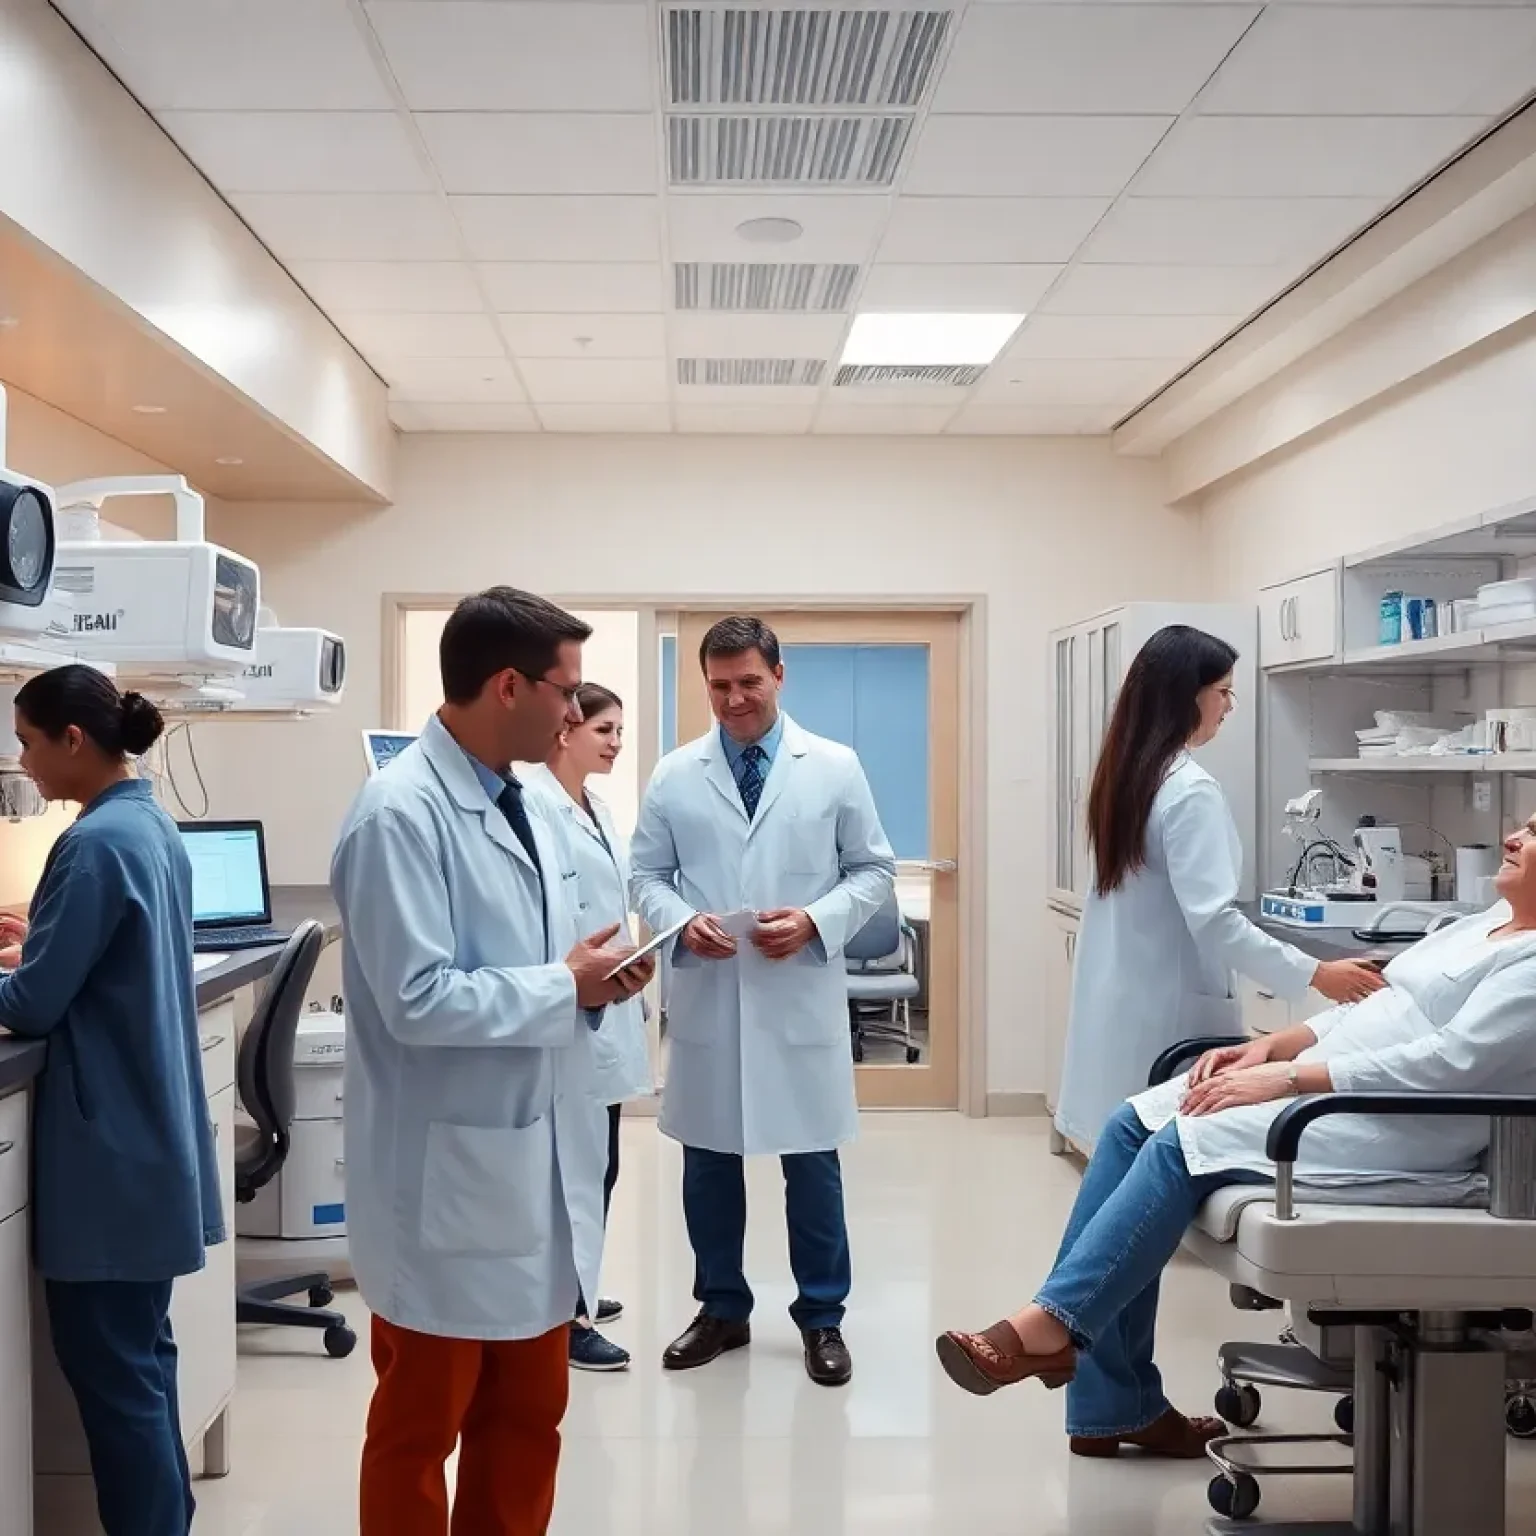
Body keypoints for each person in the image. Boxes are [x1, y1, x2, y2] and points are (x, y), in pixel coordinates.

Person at [936, 814, 1536, 1457]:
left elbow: (1449, 1065)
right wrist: (1281, 1042)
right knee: (1129, 1124)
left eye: (1534, 835)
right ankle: (1113, 1407)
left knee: (1176, 1144)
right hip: (1335, 1091)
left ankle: (1048, 1328)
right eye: (1524, 826)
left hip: (1398, 1124)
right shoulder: (1476, 926)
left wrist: (1291, 1080)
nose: (1513, 838)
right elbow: (1382, 1003)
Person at [332, 588, 654, 1536]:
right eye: (564, 690)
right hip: (445, 1184)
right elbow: (418, 998)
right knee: (421, 1427)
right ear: (507, 685)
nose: (575, 710)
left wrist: (599, 981)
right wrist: (571, 988)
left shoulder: (529, 804)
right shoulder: (400, 815)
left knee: (527, 1417)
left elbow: (550, 961)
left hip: (534, 1162)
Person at [630, 615, 896, 1388]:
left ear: (780, 675)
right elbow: (645, 874)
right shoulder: (675, 774)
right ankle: (721, 1309)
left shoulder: (835, 766)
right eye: (719, 686)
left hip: (796, 993)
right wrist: (680, 922)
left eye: (749, 681)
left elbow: (872, 868)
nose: (735, 699)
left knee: (812, 1169)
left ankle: (822, 1318)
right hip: (713, 994)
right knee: (709, 1165)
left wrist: (818, 919)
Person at [0, 665, 222, 1536]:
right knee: (143, 1367)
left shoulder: (92, 844)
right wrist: (39, 944)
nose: (22, 761)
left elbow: (35, 1005)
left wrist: (21, 968)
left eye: (26, 740)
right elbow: (98, 963)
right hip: (148, 1149)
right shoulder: (147, 825)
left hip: (112, 1161)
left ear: (74, 741)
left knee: (118, 1379)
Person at [1055, 624, 1384, 1151]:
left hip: (1126, 999)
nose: (1230, 707)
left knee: (1126, 1154)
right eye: (1224, 691)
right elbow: (1214, 921)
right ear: (1189, 694)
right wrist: (1318, 973)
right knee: (1159, 1154)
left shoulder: (1131, 776)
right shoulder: (1189, 790)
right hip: (1167, 1011)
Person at [523, 682, 652, 1374]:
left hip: (605, 1009)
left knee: (598, 1165)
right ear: (566, 729)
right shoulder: (537, 806)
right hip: (570, 1009)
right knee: (574, 1174)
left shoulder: (596, 808)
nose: (614, 741)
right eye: (603, 727)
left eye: (619, 731)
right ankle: (566, 1318)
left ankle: (581, 1290)